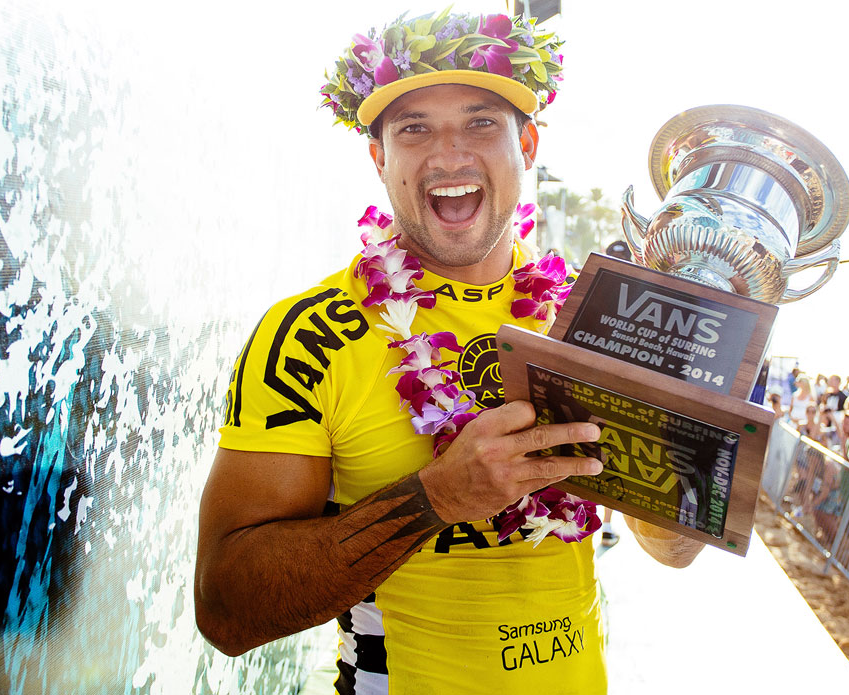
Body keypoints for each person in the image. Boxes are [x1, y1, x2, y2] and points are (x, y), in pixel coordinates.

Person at [193, 12, 702, 693]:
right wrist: (433, 497)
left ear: (527, 142)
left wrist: (696, 430)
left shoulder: (589, 321)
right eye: (414, 128)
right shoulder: (308, 335)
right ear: (380, 158)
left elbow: (670, 548)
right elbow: (226, 609)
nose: (450, 154)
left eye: (481, 122)